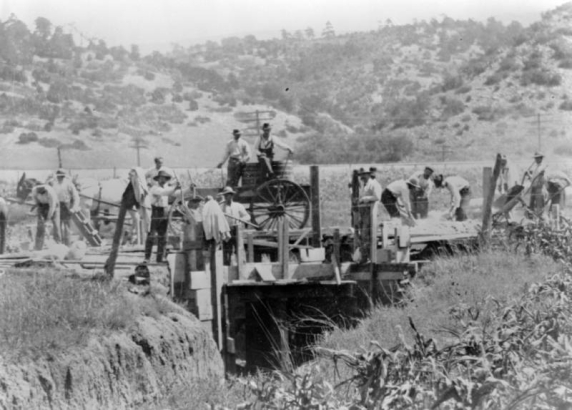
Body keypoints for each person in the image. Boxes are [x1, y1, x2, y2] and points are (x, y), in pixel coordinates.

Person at [144, 170, 181, 263]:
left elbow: (177, 193)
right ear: (158, 179)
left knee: (163, 237)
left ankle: (160, 258)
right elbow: (164, 192)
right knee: (151, 235)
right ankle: (147, 258)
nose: (163, 180)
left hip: (164, 211)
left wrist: (189, 188)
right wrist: (175, 187)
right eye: (161, 178)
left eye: (165, 179)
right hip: (155, 211)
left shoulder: (167, 188)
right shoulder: (155, 188)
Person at [217, 186, 251, 265]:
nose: (226, 197)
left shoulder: (238, 206)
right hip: (227, 231)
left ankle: (242, 267)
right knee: (226, 251)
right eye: (225, 195)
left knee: (239, 250)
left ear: (232, 195)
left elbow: (248, 216)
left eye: (228, 195)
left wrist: (241, 219)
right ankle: (226, 268)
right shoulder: (221, 207)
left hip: (237, 231)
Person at [357, 167, 382, 262]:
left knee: (366, 234)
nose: (362, 177)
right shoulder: (365, 185)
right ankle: (364, 256)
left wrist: (365, 199)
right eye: (361, 175)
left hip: (371, 212)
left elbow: (377, 197)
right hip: (363, 212)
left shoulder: (374, 184)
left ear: (368, 174)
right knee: (362, 234)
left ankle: (368, 257)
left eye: (363, 175)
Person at [49, 168, 80, 246]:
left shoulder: (69, 184)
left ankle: (67, 245)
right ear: (57, 176)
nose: (60, 178)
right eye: (59, 176)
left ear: (64, 176)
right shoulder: (53, 183)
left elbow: (76, 197)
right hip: (56, 206)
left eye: (62, 176)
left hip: (66, 206)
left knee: (67, 228)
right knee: (56, 227)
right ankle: (58, 245)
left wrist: (74, 208)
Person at [31, 184, 61, 250]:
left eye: (43, 193)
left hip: (53, 206)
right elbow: (35, 201)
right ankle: (38, 247)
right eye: (40, 194)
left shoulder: (51, 193)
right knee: (40, 227)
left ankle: (58, 245)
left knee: (56, 225)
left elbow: (52, 207)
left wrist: (48, 219)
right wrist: (39, 210)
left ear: (46, 192)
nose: (41, 194)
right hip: (42, 205)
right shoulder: (34, 190)